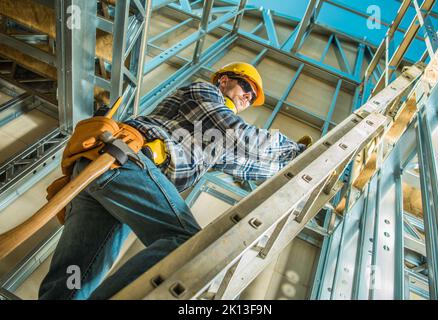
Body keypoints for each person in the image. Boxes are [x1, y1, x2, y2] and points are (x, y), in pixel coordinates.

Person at [39, 62, 311, 300]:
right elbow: (235, 132)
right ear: (224, 80)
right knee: (186, 246)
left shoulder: (211, 143)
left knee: (72, 280)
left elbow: (246, 165)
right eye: (246, 87)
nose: (248, 98)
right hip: (123, 162)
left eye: (252, 98)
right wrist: (294, 150)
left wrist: (294, 165)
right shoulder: (204, 92)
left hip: (109, 180)